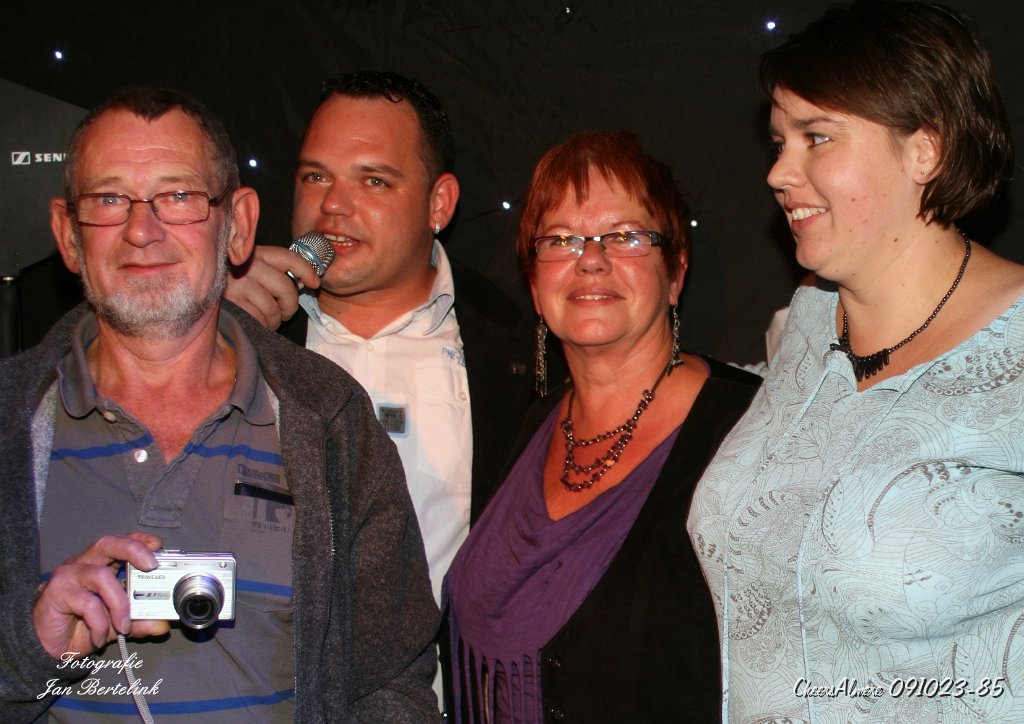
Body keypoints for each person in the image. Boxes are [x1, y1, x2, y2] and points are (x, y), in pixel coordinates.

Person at [0, 87, 439, 721]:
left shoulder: (330, 418)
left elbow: (392, 679)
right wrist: (27, 649)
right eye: (109, 199)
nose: (141, 231)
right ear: (68, 235)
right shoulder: (11, 423)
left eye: (179, 196)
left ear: (237, 227)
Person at [688, 1, 1024, 721]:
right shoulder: (808, 324)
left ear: (925, 150)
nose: (779, 172)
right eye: (779, 142)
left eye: (816, 137)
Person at [442, 131, 761, 722]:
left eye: (625, 236)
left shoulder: (752, 431)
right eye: (561, 239)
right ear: (534, 283)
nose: (590, 259)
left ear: (675, 272)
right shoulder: (526, 425)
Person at [226, 72, 537, 615]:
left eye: (373, 181)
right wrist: (203, 329)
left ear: (439, 203)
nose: (333, 205)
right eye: (316, 176)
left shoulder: (522, 351)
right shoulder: (235, 330)